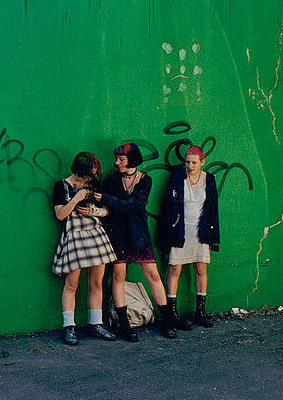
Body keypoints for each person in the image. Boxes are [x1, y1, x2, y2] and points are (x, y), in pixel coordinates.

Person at [95, 143, 177, 340]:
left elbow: (135, 205)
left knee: (153, 276)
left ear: (131, 160)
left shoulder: (145, 180)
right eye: (118, 159)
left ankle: (167, 321)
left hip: (139, 235)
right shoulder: (112, 180)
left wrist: (108, 199)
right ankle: (124, 325)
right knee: (118, 277)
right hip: (119, 235)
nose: (117, 163)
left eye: (121, 159)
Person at [52, 152, 117, 346]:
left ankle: (96, 323)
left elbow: (107, 210)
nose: (91, 177)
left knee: (96, 283)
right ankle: (69, 327)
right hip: (75, 235)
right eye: (88, 173)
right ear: (78, 170)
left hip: (95, 233)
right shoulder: (61, 185)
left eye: (93, 173)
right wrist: (76, 199)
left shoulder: (94, 184)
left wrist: (94, 211)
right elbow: (60, 215)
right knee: (72, 284)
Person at [161, 145, 220, 329]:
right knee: (175, 270)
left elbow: (213, 209)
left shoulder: (209, 179)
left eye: (194, 162)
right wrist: (169, 233)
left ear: (202, 162)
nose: (190, 166)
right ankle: (172, 313)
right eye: (187, 162)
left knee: (201, 269)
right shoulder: (178, 177)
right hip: (181, 230)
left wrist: (213, 236)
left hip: (200, 231)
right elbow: (168, 207)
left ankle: (200, 312)